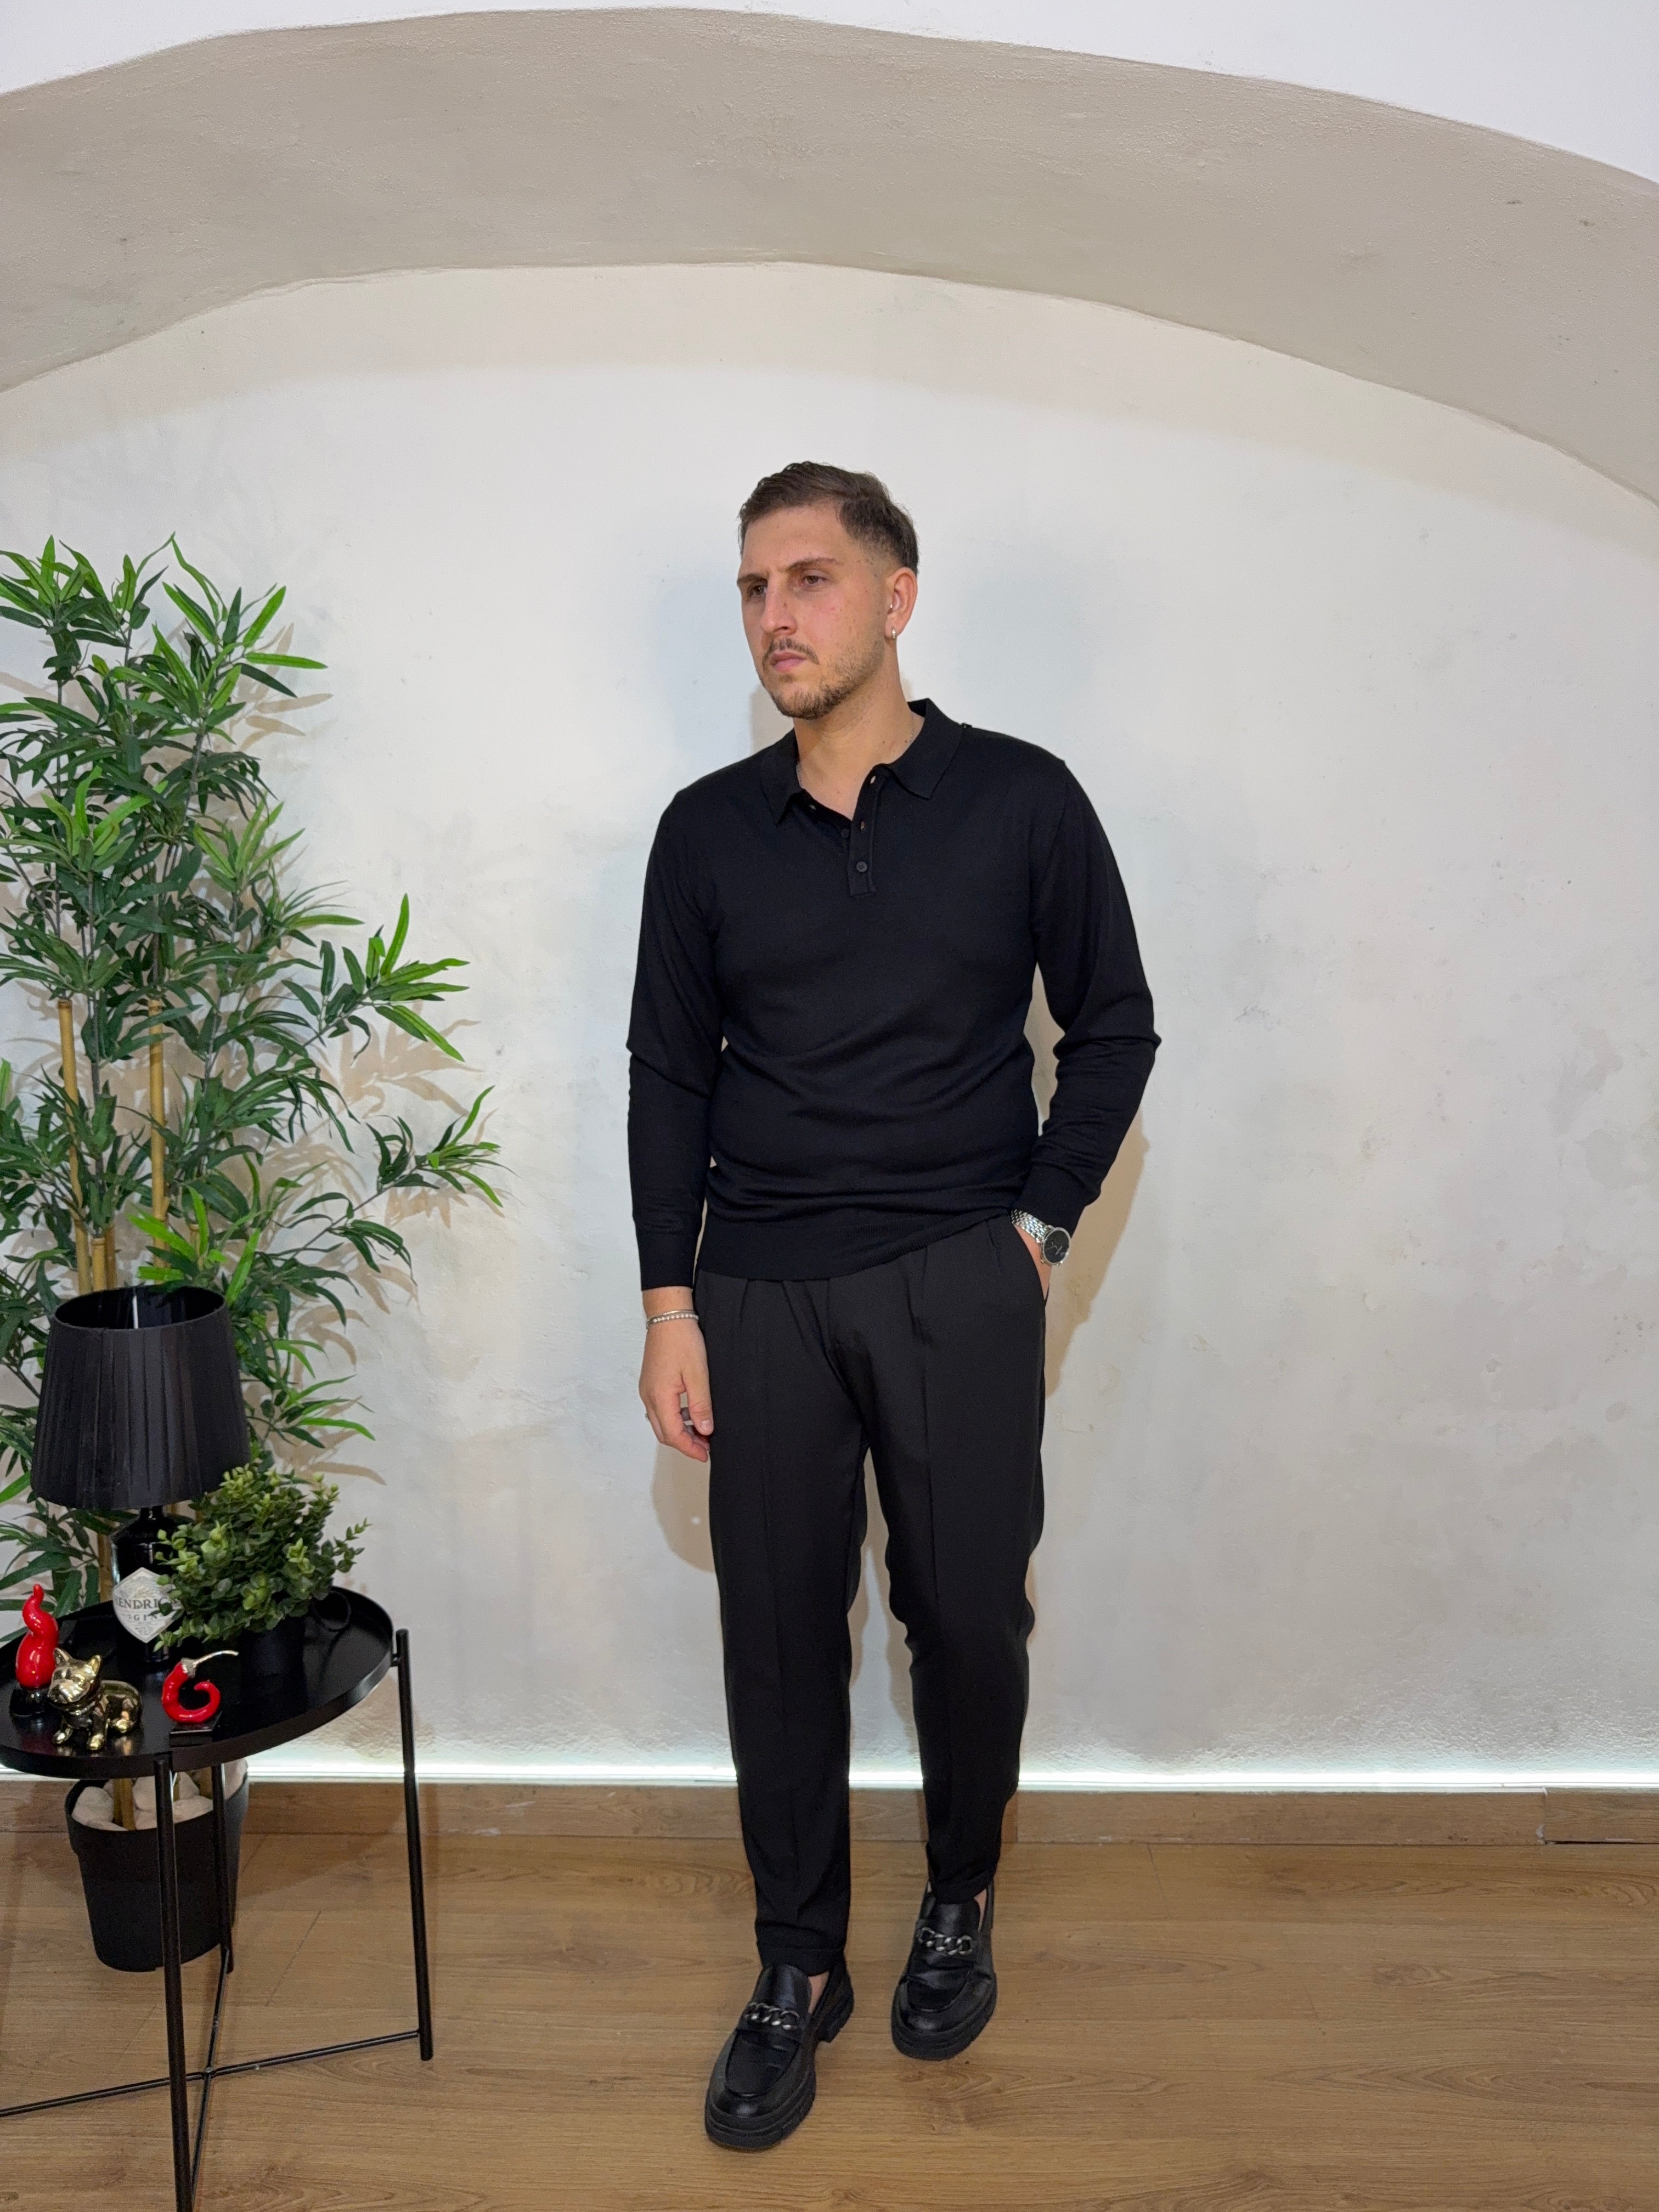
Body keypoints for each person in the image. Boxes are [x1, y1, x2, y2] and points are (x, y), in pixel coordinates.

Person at [627, 462, 1158, 2149]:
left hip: (957, 1274)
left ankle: (959, 1894)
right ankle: (798, 1966)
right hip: (759, 1284)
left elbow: (1116, 1026)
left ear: (895, 596)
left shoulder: (1022, 801)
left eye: (808, 579)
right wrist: (668, 1302)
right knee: (777, 1636)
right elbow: (666, 1076)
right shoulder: (706, 833)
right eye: (752, 588)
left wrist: (1038, 1228)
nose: (774, 616)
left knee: (967, 1617)